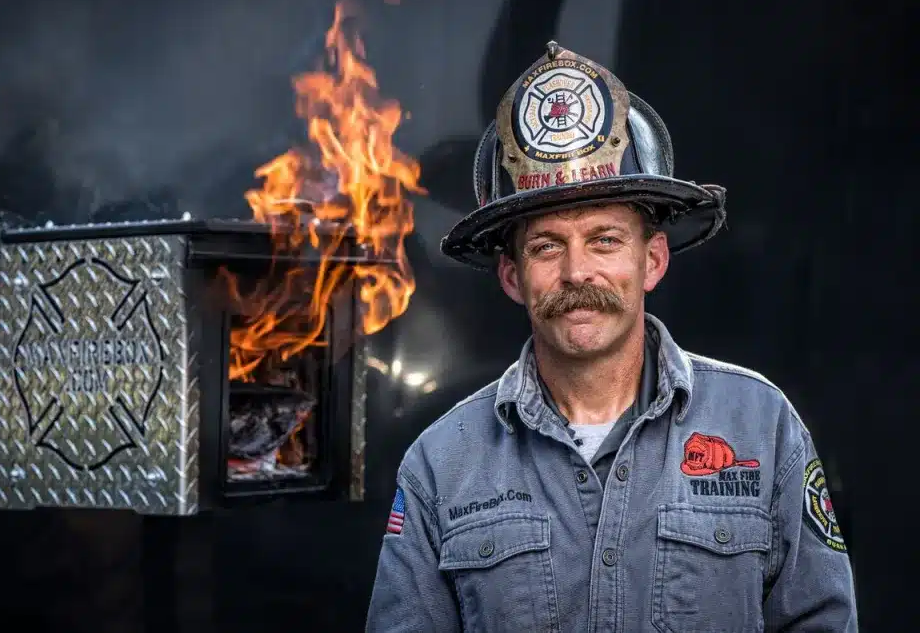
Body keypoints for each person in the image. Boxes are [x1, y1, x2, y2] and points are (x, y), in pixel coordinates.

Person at [366, 42, 857, 632]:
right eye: (547, 246)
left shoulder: (761, 425)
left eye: (605, 240)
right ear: (511, 275)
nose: (577, 273)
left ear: (652, 260)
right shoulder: (442, 464)